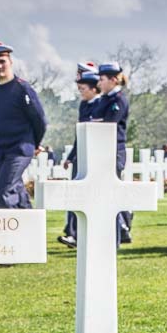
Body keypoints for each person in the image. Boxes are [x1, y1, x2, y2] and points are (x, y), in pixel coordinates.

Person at [0, 42, 47, 209]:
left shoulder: (22, 88)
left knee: (3, 193)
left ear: (10, 62)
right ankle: (31, 230)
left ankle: (10, 235)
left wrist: (35, 143)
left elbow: (39, 119)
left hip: (20, 149)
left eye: (2, 61)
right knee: (18, 193)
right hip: (2, 150)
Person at [58, 71, 101, 248]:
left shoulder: (101, 104)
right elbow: (80, 135)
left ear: (93, 88)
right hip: (81, 156)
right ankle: (73, 233)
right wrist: (71, 157)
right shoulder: (84, 106)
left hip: (96, 157)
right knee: (76, 195)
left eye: (83, 89)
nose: (80, 92)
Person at [90, 62, 132, 244]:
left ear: (114, 80)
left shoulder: (118, 100)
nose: (99, 83)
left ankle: (122, 225)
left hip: (113, 150)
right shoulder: (103, 100)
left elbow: (109, 124)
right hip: (100, 150)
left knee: (111, 193)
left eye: (102, 79)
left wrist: (97, 121)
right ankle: (120, 225)